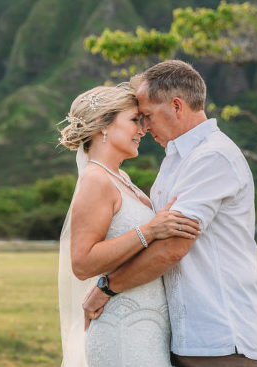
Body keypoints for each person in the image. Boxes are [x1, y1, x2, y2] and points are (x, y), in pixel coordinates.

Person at [82, 60, 257, 366]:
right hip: (186, 338)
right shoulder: (177, 158)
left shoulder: (213, 157)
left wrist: (107, 288)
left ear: (177, 106)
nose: (144, 127)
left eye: (147, 116)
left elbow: (172, 248)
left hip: (220, 338)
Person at [58, 83, 201, 366]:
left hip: (149, 328)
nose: (143, 129)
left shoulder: (121, 179)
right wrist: (149, 230)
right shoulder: (95, 180)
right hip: (121, 330)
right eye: (135, 120)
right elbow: (82, 263)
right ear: (103, 126)